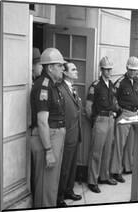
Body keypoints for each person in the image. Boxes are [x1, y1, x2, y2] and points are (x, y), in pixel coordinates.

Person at [30, 48, 66, 207]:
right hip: (48, 137)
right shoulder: (43, 86)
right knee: (46, 183)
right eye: (60, 65)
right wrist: (48, 151)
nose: (63, 68)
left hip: (54, 135)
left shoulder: (53, 84)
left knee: (51, 183)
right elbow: (42, 121)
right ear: (50, 67)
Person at [86, 56, 118, 193]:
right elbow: (88, 107)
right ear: (101, 69)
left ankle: (104, 176)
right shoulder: (95, 86)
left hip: (110, 119)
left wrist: (115, 113)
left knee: (107, 150)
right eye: (106, 69)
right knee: (96, 152)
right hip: (100, 120)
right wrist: (94, 121)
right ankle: (92, 180)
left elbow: (114, 103)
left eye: (110, 69)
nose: (109, 72)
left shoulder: (111, 85)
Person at [110, 56, 138, 183]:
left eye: (135, 70)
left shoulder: (137, 81)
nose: (133, 72)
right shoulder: (120, 82)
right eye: (131, 69)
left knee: (131, 143)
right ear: (126, 68)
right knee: (119, 144)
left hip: (134, 114)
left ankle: (128, 167)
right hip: (124, 114)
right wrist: (119, 111)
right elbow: (113, 99)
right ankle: (116, 171)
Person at [57, 62, 82, 206]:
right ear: (65, 73)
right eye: (73, 69)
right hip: (66, 134)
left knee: (73, 166)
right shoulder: (60, 89)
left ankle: (69, 190)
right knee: (64, 167)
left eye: (76, 68)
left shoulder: (73, 88)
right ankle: (59, 196)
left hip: (76, 132)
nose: (76, 71)